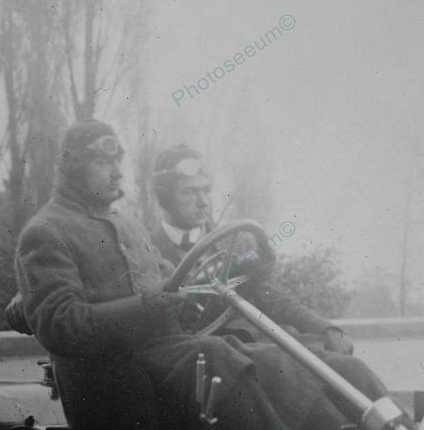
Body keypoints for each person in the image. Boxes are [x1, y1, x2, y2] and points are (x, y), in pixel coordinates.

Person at [12, 120, 349, 430]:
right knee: (214, 353)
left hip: (156, 359)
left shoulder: (127, 225)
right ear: (71, 166)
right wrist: (146, 309)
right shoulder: (46, 231)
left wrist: (237, 271)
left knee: (267, 358)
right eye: (104, 163)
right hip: (107, 374)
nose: (118, 171)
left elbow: (169, 285)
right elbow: (59, 324)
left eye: (119, 161)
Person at [148, 144, 391, 414]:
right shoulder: (148, 252)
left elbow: (268, 295)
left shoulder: (230, 242)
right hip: (228, 362)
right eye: (190, 192)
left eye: (206, 190)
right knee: (319, 410)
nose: (204, 201)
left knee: (353, 371)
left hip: (267, 346)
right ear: (164, 198)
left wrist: (326, 328)